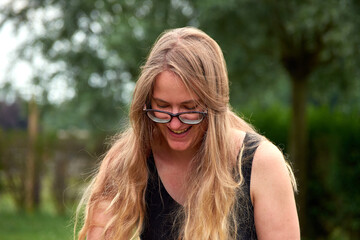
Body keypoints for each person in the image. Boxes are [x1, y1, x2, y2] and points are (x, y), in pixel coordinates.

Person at [76, 27, 300, 240]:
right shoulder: (127, 162)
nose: (174, 124)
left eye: (190, 108)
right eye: (162, 106)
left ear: (214, 105)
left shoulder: (260, 163)